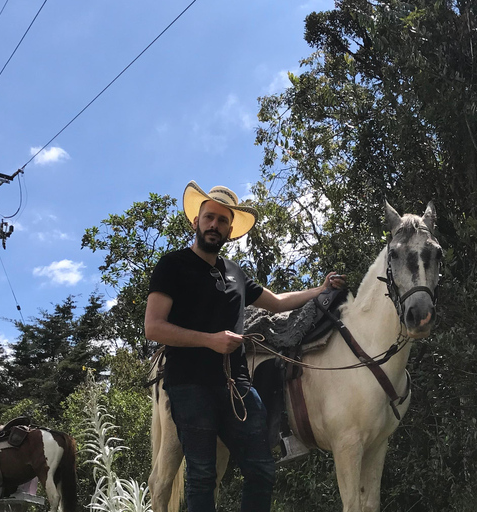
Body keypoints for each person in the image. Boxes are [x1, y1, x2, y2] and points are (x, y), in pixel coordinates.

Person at [144, 180, 345, 512]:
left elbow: (278, 303)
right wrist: (210, 340)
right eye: (209, 218)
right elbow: (154, 327)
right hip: (190, 386)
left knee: (262, 469)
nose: (214, 225)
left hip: (236, 385)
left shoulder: (235, 273)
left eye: (222, 221)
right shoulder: (172, 265)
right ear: (196, 221)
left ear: (230, 229)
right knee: (203, 475)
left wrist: (320, 290)